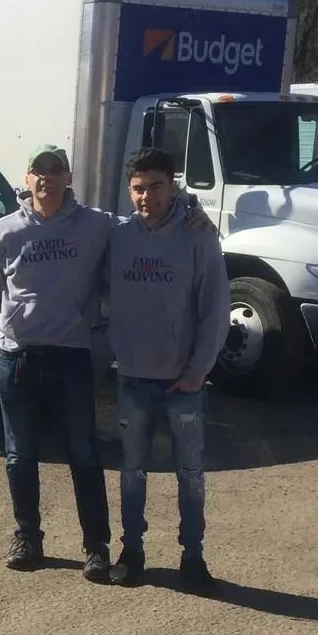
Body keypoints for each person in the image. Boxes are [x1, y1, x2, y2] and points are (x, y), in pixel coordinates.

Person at [0, 146, 115, 579]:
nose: (47, 179)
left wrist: (190, 211)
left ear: (68, 177)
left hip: (71, 355)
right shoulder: (4, 231)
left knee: (84, 453)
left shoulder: (95, 226)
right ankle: (28, 538)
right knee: (19, 455)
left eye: (55, 171)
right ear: (28, 177)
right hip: (17, 358)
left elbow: (143, 228)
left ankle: (96, 547)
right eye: (39, 171)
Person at [106, 147, 230, 594]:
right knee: (132, 468)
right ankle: (132, 552)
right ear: (129, 190)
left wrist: (198, 370)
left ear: (173, 185)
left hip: (184, 382)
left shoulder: (198, 238)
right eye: (138, 188)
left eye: (156, 186)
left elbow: (216, 310)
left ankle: (192, 558)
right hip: (133, 376)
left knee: (190, 473)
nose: (146, 196)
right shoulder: (117, 236)